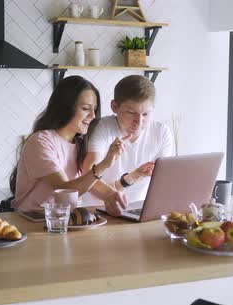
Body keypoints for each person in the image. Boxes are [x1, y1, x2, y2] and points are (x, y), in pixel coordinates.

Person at [10, 75, 127, 215]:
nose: (93, 116)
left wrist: (111, 196)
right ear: (65, 106)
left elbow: (87, 183)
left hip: (64, 221)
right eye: (85, 108)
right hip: (33, 222)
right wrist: (103, 165)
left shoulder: (80, 144)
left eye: (94, 109)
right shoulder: (40, 142)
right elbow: (64, 192)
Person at [83, 75, 174, 205]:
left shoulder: (161, 132)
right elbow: (88, 180)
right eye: (131, 113)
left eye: (146, 114)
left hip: (139, 210)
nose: (139, 122)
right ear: (114, 106)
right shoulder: (102, 128)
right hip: (98, 210)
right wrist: (128, 179)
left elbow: (163, 181)